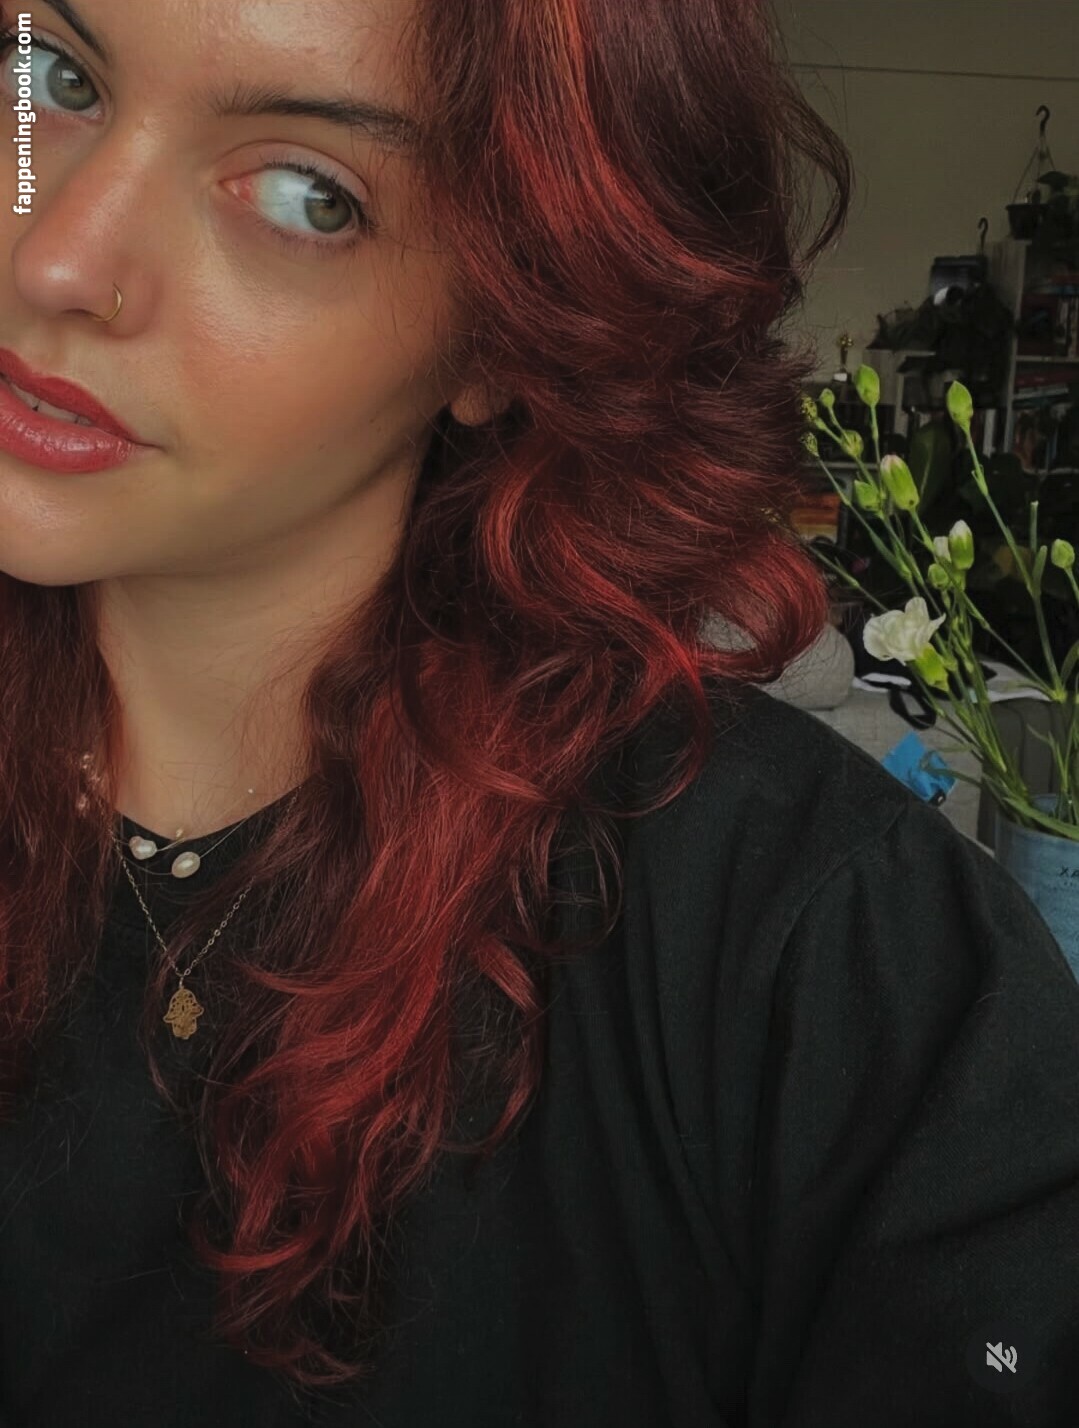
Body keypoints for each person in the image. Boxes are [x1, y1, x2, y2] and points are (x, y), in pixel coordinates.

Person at [0, 1, 1077, 1425]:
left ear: (502, 335)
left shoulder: (820, 954)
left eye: (309, 193)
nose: (56, 256)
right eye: (54, 74)